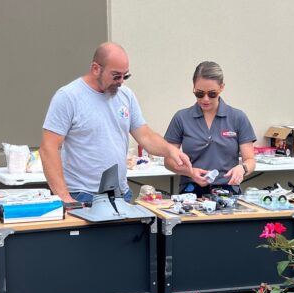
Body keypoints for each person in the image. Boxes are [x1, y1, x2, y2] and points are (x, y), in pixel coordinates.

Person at [40, 42, 192, 204]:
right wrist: (65, 198)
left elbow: (145, 136)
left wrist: (170, 150)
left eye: (125, 76)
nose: (121, 81)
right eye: (115, 76)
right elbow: (48, 148)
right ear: (96, 69)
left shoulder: (126, 96)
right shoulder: (68, 97)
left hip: (120, 193)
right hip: (82, 194)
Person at [164, 60, 256, 196]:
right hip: (191, 191)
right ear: (193, 88)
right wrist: (190, 172)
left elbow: (250, 160)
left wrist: (242, 168)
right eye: (199, 94)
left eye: (212, 94)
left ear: (222, 87)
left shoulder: (237, 117)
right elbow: (168, 160)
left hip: (228, 190)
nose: (205, 99)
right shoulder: (181, 118)